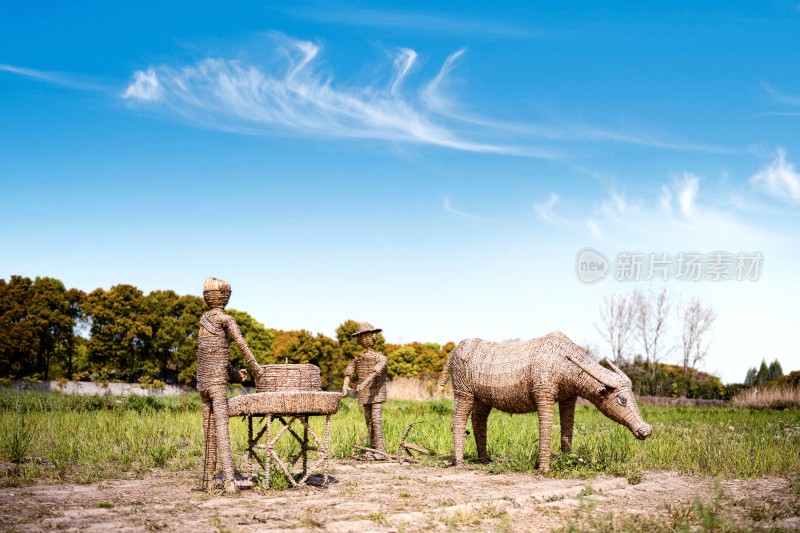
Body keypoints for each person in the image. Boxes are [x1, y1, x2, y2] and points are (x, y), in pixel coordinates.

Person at [197, 277, 262, 493]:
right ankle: (229, 481)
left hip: (203, 382)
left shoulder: (204, 321)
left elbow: (217, 357)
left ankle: (207, 481)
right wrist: (256, 370)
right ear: (226, 297)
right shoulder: (226, 319)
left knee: (208, 430)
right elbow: (241, 344)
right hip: (215, 385)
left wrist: (237, 375)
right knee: (222, 429)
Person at [342, 322, 388, 455]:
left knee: (376, 420)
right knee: (368, 421)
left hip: (377, 394)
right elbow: (349, 372)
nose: (363, 340)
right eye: (361, 337)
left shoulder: (381, 358)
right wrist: (345, 386)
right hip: (364, 395)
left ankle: (380, 451)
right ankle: (374, 449)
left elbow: (376, 372)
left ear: (373, 337)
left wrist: (364, 383)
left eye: (366, 336)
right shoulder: (358, 359)